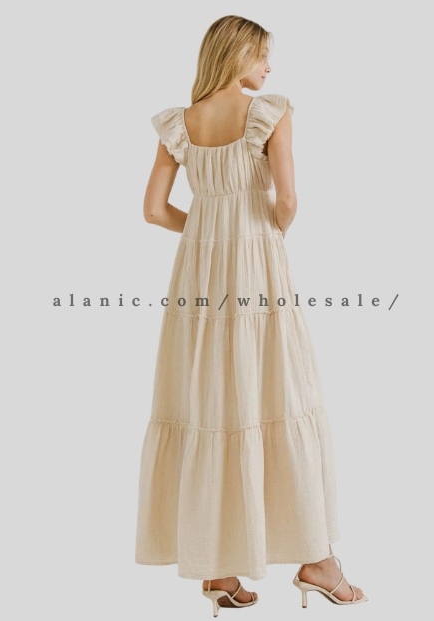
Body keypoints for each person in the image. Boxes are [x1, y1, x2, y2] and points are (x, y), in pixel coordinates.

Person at [135, 14, 367, 616]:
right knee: (279, 391)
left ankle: (216, 570)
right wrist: (261, 237)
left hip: (197, 277)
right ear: (237, 54)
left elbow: (154, 210)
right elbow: (287, 201)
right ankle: (318, 562)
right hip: (258, 271)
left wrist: (207, 233)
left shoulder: (179, 123)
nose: (269, 66)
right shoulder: (271, 111)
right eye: (262, 54)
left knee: (209, 398)